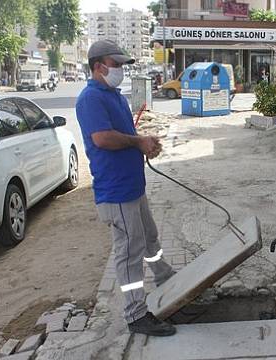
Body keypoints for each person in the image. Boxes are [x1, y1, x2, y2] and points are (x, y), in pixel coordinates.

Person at [75, 39, 177, 336]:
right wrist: (137, 142)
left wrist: (144, 143)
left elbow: (125, 135)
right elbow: (103, 139)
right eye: (115, 64)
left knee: (148, 237)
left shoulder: (115, 96)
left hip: (132, 185)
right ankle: (136, 314)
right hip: (116, 190)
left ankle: (163, 276)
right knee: (129, 251)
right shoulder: (91, 98)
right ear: (98, 66)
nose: (120, 69)